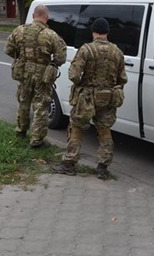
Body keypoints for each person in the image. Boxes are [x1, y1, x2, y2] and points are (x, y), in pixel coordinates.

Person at [52, 17, 127, 180]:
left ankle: (69, 164)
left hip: (86, 97)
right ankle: (102, 168)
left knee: (77, 128)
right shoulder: (117, 52)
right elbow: (122, 79)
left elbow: (73, 75)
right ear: (107, 32)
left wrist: (83, 83)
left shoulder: (86, 50)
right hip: (107, 98)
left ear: (93, 32)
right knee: (104, 130)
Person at [4, 4, 67, 148]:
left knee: (23, 102)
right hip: (42, 75)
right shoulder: (51, 35)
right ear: (46, 17)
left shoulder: (19, 30)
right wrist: (51, 63)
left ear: (33, 16)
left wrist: (21, 57)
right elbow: (61, 57)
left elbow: (8, 49)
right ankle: (36, 141)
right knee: (41, 106)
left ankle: (21, 131)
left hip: (24, 72)